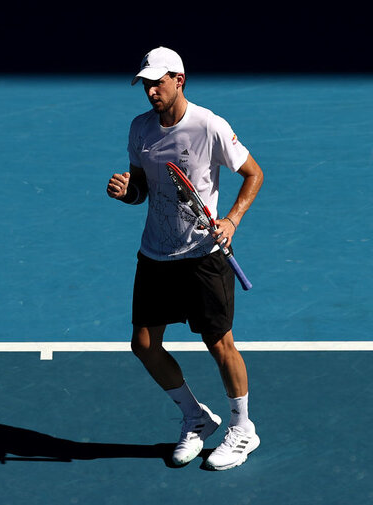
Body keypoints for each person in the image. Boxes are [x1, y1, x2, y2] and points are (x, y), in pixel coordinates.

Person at [106, 47, 264, 470]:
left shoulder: (209, 125)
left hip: (202, 255)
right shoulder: (140, 129)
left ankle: (242, 428)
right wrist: (127, 193)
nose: (152, 91)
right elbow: (141, 188)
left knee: (219, 344)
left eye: (159, 82)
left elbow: (254, 173)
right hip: (156, 252)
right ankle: (196, 418)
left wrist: (231, 221)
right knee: (143, 345)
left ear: (180, 80)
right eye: (147, 83)